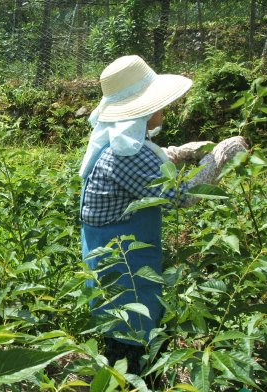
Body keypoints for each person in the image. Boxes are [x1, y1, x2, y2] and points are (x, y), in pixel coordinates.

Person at [79, 55, 246, 374]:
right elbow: (181, 197)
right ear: (141, 111)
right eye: (158, 105)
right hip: (123, 260)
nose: (163, 111)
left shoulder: (120, 143)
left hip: (108, 251)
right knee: (131, 332)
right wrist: (217, 159)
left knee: (121, 321)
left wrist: (177, 152)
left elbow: (146, 160)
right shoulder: (126, 155)